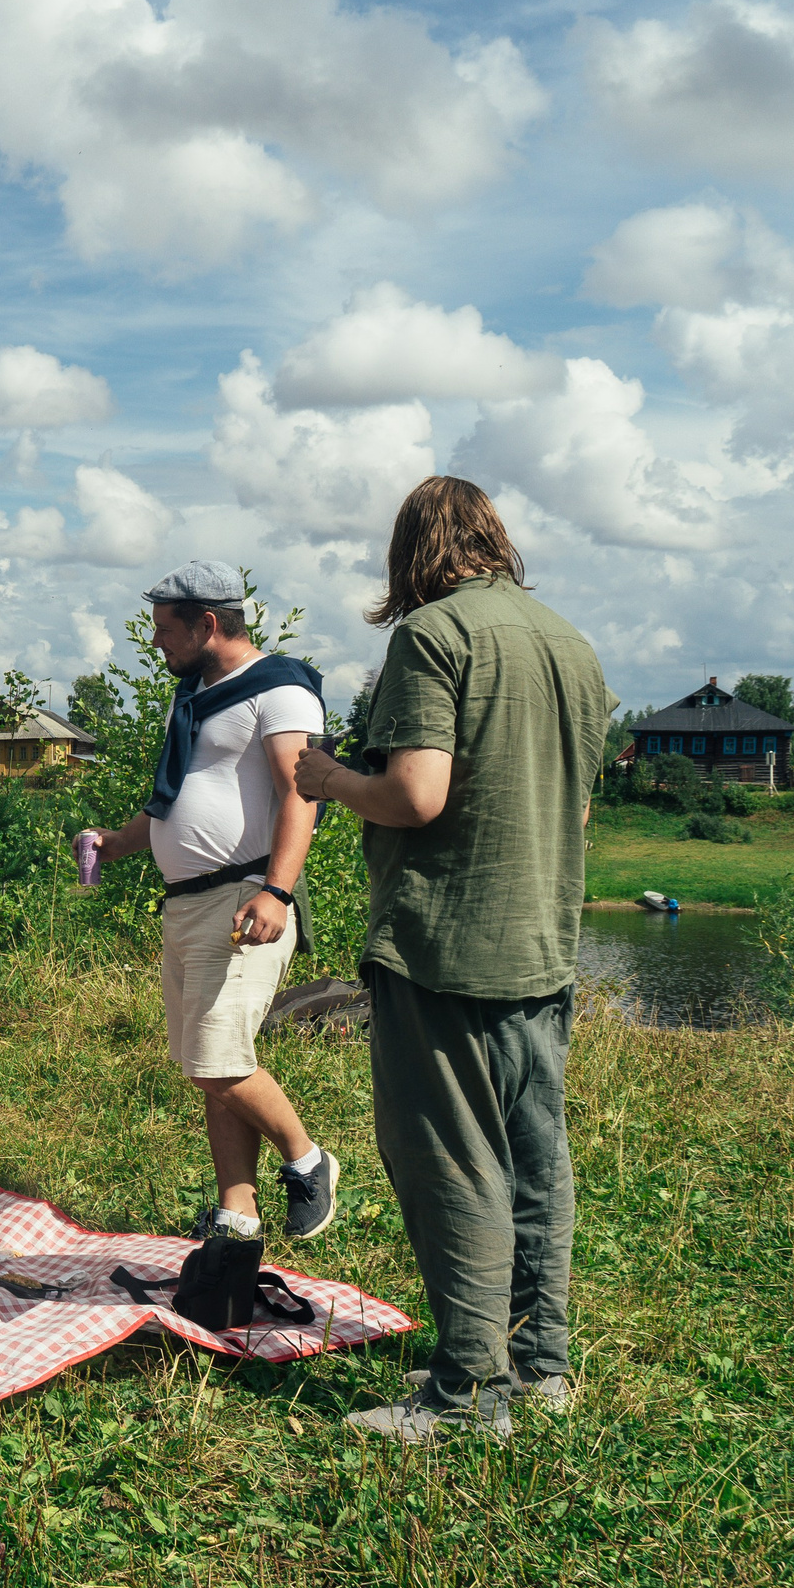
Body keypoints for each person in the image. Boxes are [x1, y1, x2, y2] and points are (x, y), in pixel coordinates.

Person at [293, 476, 616, 1445]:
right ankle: (541, 1370)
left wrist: (330, 779)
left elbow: (416, 794)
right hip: (542, 950)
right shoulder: (572, 645)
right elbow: (582, 807)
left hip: (445, 949)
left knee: (452, 1165)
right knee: (532, 1163)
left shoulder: (431, 638)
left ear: (414, 555)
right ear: (493, 541)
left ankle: (467, 1394)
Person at [87, 561, 339, 1245]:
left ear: (208, 622)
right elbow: (173, 801)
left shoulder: (280, 688)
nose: (159, 643)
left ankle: (309, 1159)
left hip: (246, 896)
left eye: (167, 630)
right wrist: (116, 843)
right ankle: (238, 1212)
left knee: (214, 1056)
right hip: (189, 903)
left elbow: (301, 792)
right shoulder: (193, 695)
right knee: (216, 1061)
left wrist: (276, 890)